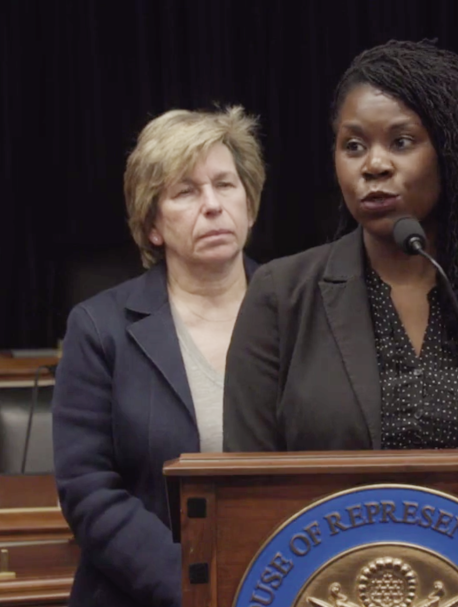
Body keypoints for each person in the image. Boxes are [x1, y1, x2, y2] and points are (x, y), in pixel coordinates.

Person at [223, 40, 458, 452]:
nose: (374, 165)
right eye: (354, 146)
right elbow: (244, 487)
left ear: (449, 156)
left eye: (401, 142)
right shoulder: (281, 296)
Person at [52, 106, 265, 607]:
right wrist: (199, 586)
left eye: (225, 184)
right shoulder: (99, 327)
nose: (211, 205)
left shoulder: (302, 310)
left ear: (250, 204)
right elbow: (89, 492)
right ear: (152, 225)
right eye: (186, 192)